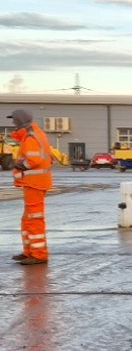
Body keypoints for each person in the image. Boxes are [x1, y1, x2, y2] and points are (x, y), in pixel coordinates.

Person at [7, 109, 53, 265]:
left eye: (14, 120)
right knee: (28, 219)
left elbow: (33, 160)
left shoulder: (31, 136)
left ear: (20, 120)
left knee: (34, 218)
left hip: (35, 183)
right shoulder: (32, 134)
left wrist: (20, 166)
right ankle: (30, 251)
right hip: (33, 183)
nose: (12, 123)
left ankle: (38, 254)